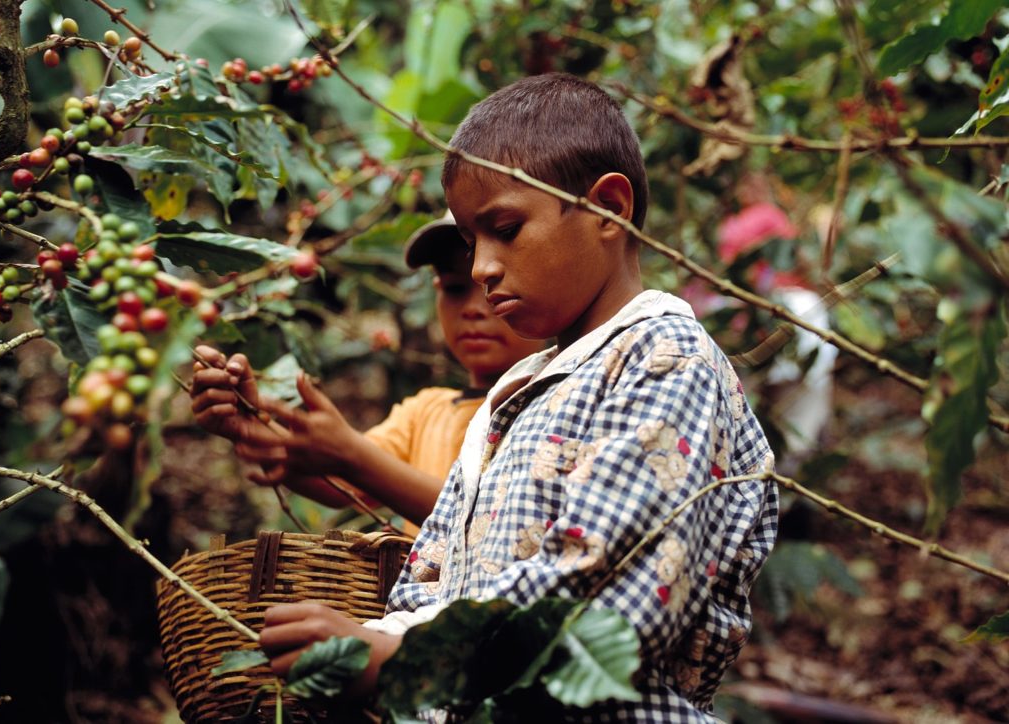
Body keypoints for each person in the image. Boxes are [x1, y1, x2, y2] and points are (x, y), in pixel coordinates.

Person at [258, 73, 779, 722]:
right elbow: (434, 581)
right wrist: (370, 649)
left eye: (505, 228)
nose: (481, 269)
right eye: (474, 242)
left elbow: (602, 605)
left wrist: (397, 658)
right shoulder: (517, 390)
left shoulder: (664, 358)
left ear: (609, 211)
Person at [189, 215, 546, 526]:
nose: (472, 310)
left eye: (491, 287)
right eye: (454, 289)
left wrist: (355, 458)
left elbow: (501, 525)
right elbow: (342, 482)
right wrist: (250, 426)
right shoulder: (425, 412)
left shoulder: (557, 405)